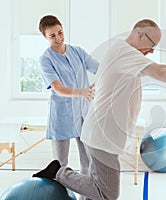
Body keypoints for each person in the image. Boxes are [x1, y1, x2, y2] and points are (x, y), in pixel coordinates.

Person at [33, 19, 166, 200]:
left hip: (103, 134)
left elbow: (107, 72)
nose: (152, 50)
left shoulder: (123, 53)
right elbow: (160, 71)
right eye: (152, 43)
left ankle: (60, 173)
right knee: (107, 193)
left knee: (95, 185)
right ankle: (59, 172)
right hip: (102, 136)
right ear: (140, 34)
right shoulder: (124, 52)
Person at [37, 15, 99, 177]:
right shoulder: (45, 59)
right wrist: (82, 91)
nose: (58, 38)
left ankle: (85, 196)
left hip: (82, 113)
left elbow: (99, 69)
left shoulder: (77, 51)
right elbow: (58, 88)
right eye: (52, 35)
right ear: (45, 37)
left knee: (88, 162)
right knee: (60, 164)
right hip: (61, 114)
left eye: (60, 32)